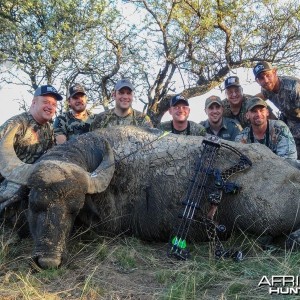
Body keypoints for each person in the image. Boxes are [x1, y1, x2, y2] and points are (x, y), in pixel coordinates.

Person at [0, 84, 62, 207]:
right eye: (46, 102)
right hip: (9, 180)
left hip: (29, 178)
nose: (50, 107)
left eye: (54, 104)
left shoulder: (48, 128)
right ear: (34, 102)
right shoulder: (16, 124)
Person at [253, 61, 300, 159]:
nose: (265, 80)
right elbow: (258, 99)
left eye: (267, 75)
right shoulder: (265, 90)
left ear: (274, 72)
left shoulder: (294, 87)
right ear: (257, 81)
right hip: (288, 121)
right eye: (261, 78)